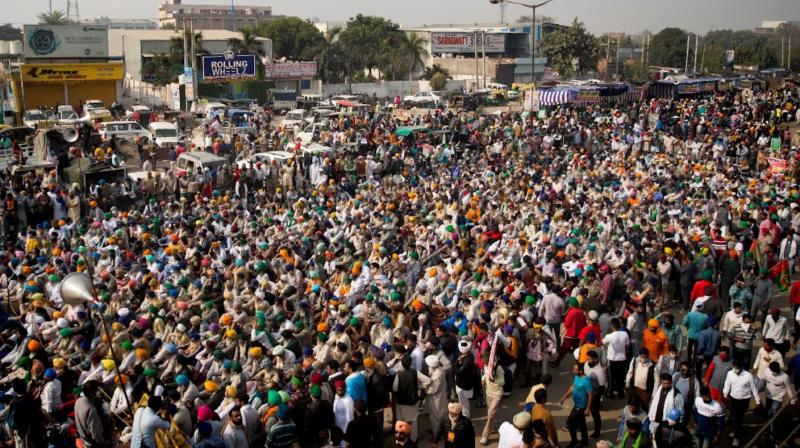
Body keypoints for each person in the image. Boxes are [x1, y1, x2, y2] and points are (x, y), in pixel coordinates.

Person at [723, 358, 760, 447]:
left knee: (739, 418)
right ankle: (737, 430)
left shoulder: (748, 376)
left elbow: (753, 388)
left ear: (741, 367)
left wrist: (757, 401)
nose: (734, 369)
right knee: (735, 417)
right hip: (733, 399)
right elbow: (727, 384)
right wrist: (724, 396)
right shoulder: (730, 373)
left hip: (744, 400)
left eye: (736, 367)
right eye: (734, 366)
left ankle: (736, 437)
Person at [560, 362, 593, 448]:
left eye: (575, 370)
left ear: (581, 371)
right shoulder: (577, 377)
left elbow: (590, 396)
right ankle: (584, 441)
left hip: (581, 407)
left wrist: (588, 408)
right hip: (577, 404)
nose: (573, 371)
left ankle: (574, 441)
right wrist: (564, 396)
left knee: (570, 423)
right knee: (582, 423)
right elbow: (573, 387)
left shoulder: (586, 381)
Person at [74, 380, 110, 448]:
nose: (98, 392)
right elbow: (96, 434)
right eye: (97, 390)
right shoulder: (91, 410)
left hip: (82, 438)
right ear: (92, 394)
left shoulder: (78, 401)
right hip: (93, 443)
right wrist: (104, 441)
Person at [763, 361, 797, 430]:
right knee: (769, 412)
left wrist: (793, 400)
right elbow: (763, 380)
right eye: (772, 371)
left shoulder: (785, 377)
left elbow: (789, 389)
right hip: (768, 396)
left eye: (775, 371)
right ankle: (770, 424)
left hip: (778, 398)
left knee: (774, 410)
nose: (774, 372)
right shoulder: (766, 371)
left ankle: (772, 428)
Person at [603, 318, 630, 399]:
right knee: (621, 377)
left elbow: (603, 342)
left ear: (612, 326)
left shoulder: (609, 336)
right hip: (622, 359)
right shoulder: (625, 334)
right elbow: (627, 345)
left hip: (612, 360)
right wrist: (626, 354)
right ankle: (620, 393)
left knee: (611, 377)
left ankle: (610, 393)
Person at [584, 350, 606, 438]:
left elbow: (601, 389)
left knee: (595, 413)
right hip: (585, 392)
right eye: (587, 359)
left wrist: (592, 401)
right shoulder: (587, 364)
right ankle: (579, 425)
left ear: (595, 359)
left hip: (594, 395)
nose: (587, 361)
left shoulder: (600, 372)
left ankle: (597, 431)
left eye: (589, 359)